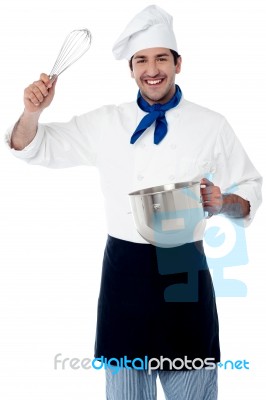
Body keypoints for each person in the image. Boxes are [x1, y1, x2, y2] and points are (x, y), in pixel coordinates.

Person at [6, 4, 262, 400]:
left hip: (184, 269)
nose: (152, 68)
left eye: (161, 57)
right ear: (131, 69)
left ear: (178, 63)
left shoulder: (212, 124)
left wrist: (224, 199)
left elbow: (249, 188)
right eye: (141, 60)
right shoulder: (106, 122)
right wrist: (31, 111)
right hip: (124, 272)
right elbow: (30, 146)